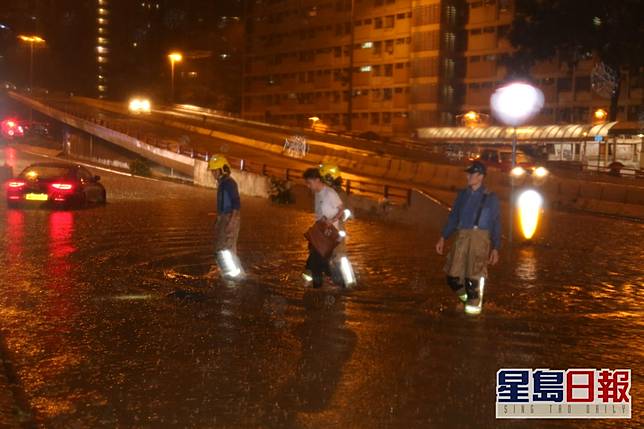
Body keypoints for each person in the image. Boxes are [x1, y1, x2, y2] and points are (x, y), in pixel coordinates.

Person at [435, 161, 501, 315]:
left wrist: (496, 247)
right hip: (462, 236)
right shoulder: (462, 195)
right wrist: (443, 237)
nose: (468, 176)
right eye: (468, 173)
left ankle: (472, 315)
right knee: (453, 277)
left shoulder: (491, 197)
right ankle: (469, 300)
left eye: (471, 174)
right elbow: (453, 217)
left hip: (480, 239)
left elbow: (496, 222)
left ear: (480, 176)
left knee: (473, 277)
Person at [302, 167, 345, 289]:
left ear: (317, 180)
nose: (308, 186)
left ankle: (317, 288)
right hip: (319, 232)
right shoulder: (317, 193)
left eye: (309, 183)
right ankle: (335, 282)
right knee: (319, 261)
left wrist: (331, 221)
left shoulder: (330, 193)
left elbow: (341, 209)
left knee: (314, 262)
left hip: (329, 234)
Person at [207, 154, 241, 278]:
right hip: (224, 217)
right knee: (220, 245)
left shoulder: (229, 183)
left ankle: (232, 274)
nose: (213, 173)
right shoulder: (222, 183)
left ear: (222, 170)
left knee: (226, 247)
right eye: (212, 171)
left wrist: (231, 222)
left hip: (230, 217)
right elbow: (223, 204)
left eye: (214, 171)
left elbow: (236, 204)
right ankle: (222, 269)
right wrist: (218, 219)